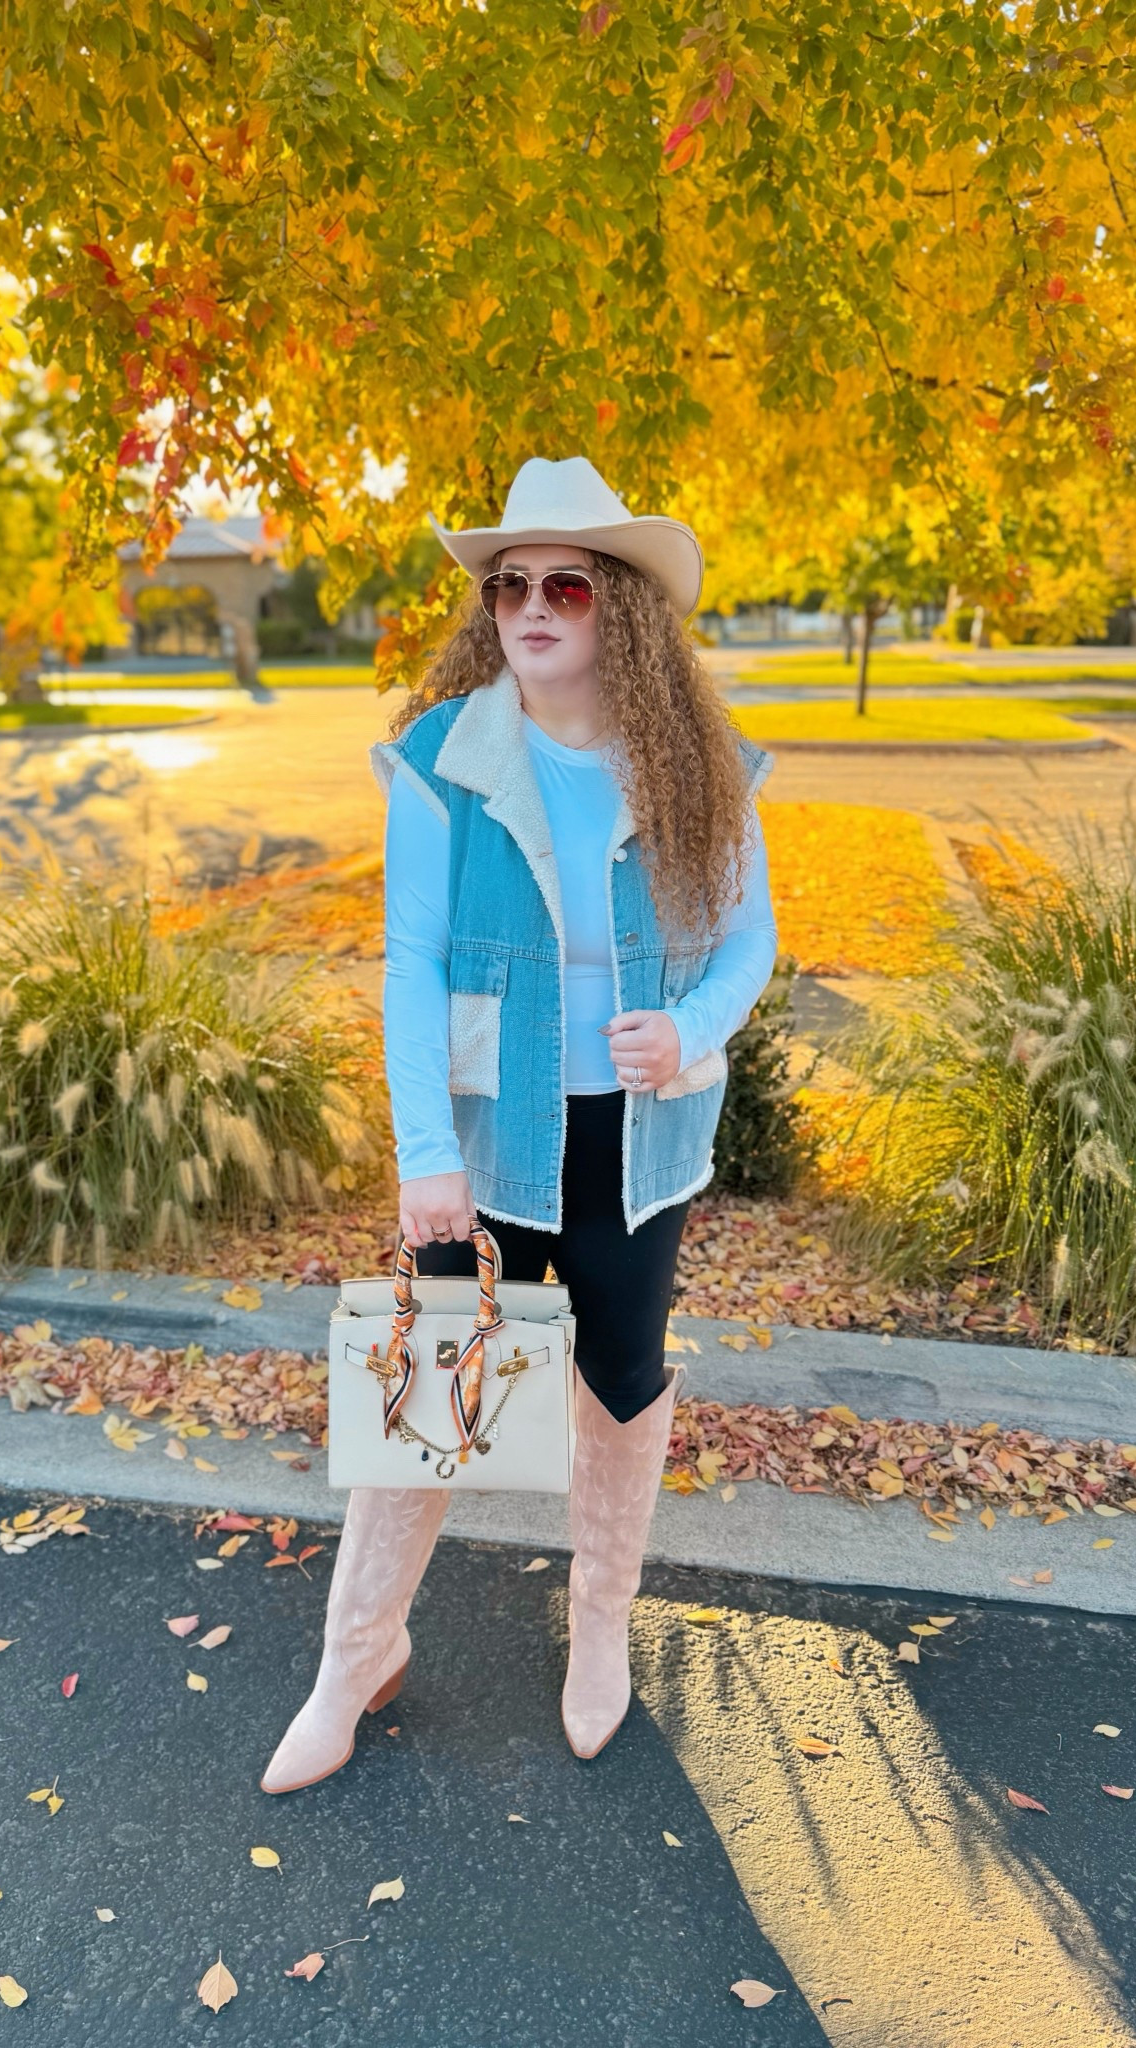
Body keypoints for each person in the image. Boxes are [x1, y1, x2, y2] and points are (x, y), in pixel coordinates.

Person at [261, 455, 777, 1794]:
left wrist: (694, 1030)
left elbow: (747, 940)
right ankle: (356, 1654)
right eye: (509, 586)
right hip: (488, 1133)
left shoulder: (696, 762)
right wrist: (422, 1149)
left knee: (619, 1377)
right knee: (438, 1383)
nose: (532, 606)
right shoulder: (445, 757)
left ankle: (598, 1624)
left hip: (637, 1130)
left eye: (565, 584)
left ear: (622, 607)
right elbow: (410, 961)